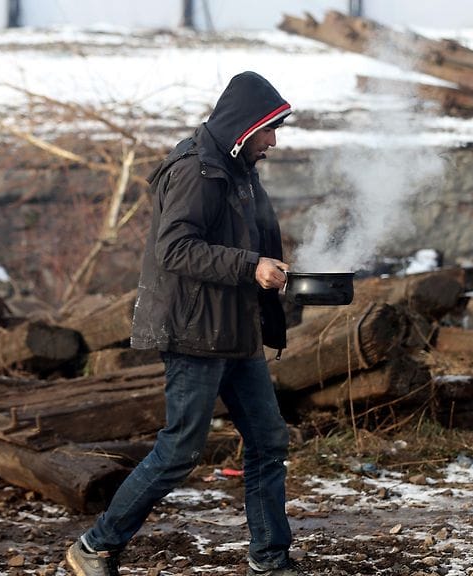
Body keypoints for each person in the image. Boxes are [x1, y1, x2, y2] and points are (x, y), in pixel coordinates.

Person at [65, 71, 301, 576]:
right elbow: (173, 249)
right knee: (179, 451)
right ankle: (95, 546)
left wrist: (273, 270)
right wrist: (248, 266)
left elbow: (243, 240)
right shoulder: (197, 170)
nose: (274, 141)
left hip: (234, 331)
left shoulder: (236, 167)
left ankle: (271, 559)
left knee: (268, 441)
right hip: (194, 333)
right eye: (269, 130)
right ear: (244, 126)